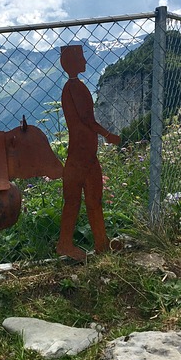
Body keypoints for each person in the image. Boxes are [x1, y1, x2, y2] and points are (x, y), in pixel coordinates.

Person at [57, 45, 121, 261]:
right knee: (84, 200)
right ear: (74, 62)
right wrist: (108, 135)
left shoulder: (72, 87)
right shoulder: (75, 88)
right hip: (82, 155)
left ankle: (99, 243)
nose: (85, 62)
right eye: (82, 58)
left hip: (81, 154)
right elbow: (87, 119)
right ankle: (73, 244)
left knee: (82, 200)